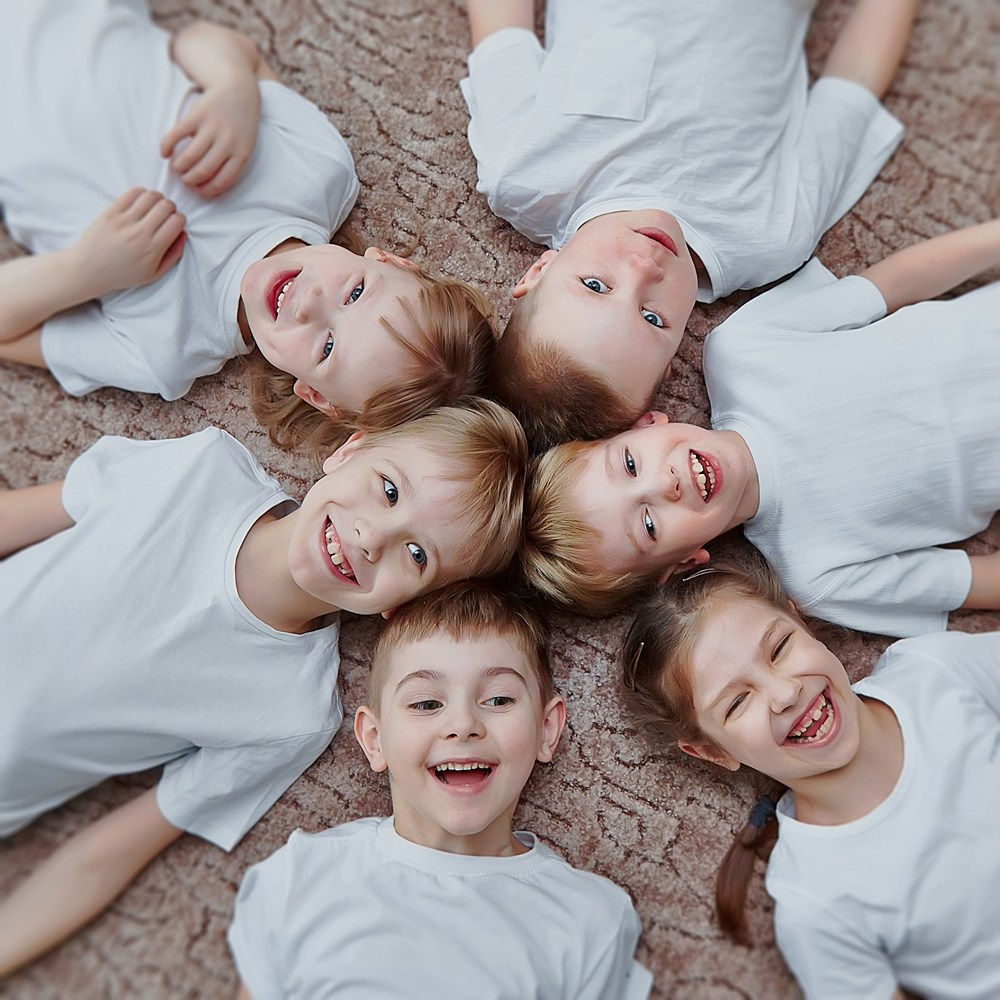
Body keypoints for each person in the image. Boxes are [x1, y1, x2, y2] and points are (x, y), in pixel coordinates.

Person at [0, 398, 527, 976]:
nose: (372, 537)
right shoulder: (201, 466)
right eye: (389, 489)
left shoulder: (294, 713)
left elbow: (103, 856)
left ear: (403, 607)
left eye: (418, 555)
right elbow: (17, 516)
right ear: (349, 449)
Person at [0, 0, 494, 460]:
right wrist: (234, 87)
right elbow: (200, 41)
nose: (308, 303)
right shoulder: (318, 172)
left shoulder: (166, 349)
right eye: (355, 292)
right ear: (388, 259)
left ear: (315, 395)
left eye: (327, 347)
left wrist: (82, 271)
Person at [460, 0, 919, 449]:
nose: (644, 268)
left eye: (596, 285)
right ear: (673, 359)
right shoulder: (765, 236)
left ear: (539, 271)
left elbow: (503, 31)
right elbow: (850, 91)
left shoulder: (525, 172)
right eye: (652, 317)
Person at [521, 216, 1000, 629]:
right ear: (684, 563)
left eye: (630, 464)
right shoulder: (818, 577)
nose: (665, 483)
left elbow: (887, 287)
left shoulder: (741, 351)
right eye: (648, 524)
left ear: (645, 424)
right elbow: (975, 581)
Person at [227, 582, 653, 999]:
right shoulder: (300, 877)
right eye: (427, 703)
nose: (463, 725)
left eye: (499, 700)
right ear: (375, 739)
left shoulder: (591, 919)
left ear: (546, 729)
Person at [621, 553, 1000, 1000]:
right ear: (713, 751)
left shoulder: (930, 669)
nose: (785, 693)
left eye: (780, 648)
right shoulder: (814, 900)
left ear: (799, 619)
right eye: (737, 703)